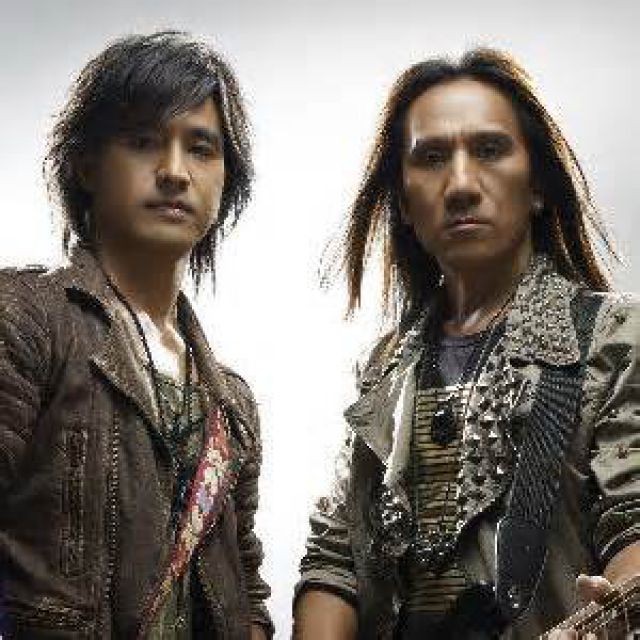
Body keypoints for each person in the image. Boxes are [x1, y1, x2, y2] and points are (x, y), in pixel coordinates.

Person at [293, 48, 640, 639]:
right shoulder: (384, 371)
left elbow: (632, 519)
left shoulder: (611, 338)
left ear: (536, 185)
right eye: (431, 158)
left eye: (489, 150)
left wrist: (614, 605)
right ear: (404, 203)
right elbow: (335, 561)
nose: (459, 184)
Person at [0, 31, 273, 639]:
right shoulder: (26, 320)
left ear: (226, 178)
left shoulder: (232, 403)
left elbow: (248, 592)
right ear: (86, 164)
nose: (174, 172)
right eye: (143, 142)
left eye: (200, 148)